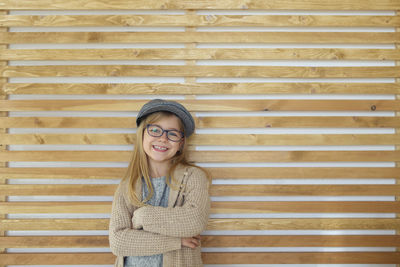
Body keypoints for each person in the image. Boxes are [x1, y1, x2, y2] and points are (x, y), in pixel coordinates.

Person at [109, 99, 211, 267]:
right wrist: (177, 241)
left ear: (181, 143)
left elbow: (194, 221)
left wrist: (142, 217)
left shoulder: (193, 176)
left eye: (172, 133)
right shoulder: (128, 186)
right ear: (142, 135)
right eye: (155, 130)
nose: (163, 138)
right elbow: (119, 242)